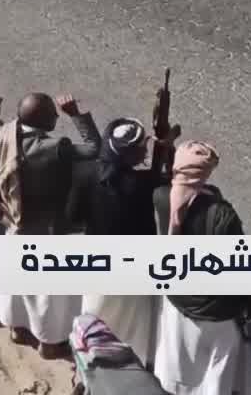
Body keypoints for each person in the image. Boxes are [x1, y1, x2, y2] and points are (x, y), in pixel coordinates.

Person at [0, 93, 100, 359]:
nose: (55, 117)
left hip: (15, 220)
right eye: (52, 114)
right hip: (48, 229)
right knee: (48, 296)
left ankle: (17, 329)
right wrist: (75, 114)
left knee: (19, 287)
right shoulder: (54, 147)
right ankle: (48, 343)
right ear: (42, 121)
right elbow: (94, 148)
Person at [153, 142, 251, 395]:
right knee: (216, 373)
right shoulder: (221, 213)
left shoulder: (161, 197)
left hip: (178, 301)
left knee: (180, 361)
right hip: (216, 310)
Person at [78, 119, 159, 361]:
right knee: (132, 328)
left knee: (94, 322)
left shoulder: (87, 173)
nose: (145, 151)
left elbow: (74, 215)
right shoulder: (142, 186)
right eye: (143, 147)